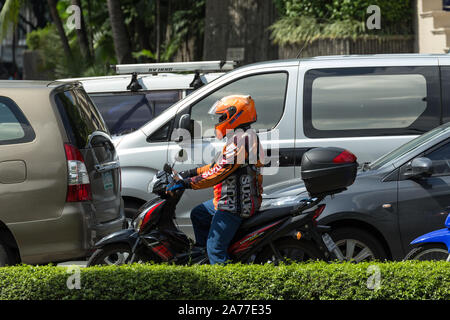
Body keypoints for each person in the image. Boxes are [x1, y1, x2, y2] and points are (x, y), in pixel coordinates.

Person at [167, 95, 264, 264]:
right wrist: (188, 173)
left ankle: (225, 282)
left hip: (235, 205)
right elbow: (217, 166)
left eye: (222, 117)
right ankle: (202, 257)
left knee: (216, 248)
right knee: (199, 214)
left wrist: (187, 183)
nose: (218, 121)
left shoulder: (241, 142)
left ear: (235, 116)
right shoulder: (241, 137)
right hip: (230, 200)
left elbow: (217, 174)